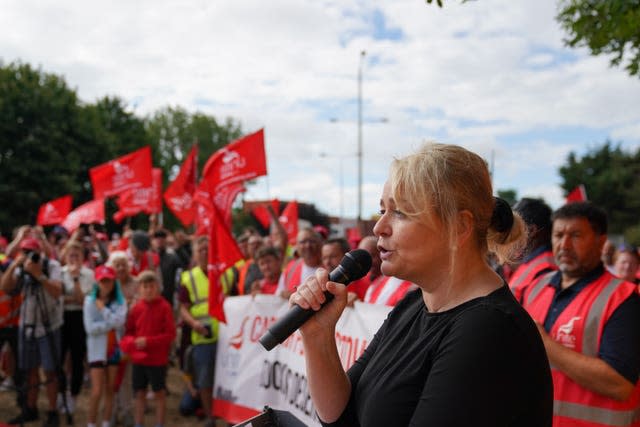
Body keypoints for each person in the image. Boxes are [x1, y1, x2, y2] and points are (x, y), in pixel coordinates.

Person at [291, 143, 553, 426]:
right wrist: (318, 338)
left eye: (400, 212)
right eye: (382, 210)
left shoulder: (489, 330)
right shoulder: (414, 304)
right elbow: (341, 417)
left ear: (459, 227)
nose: (379, 227)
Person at [522, 202, 640, 427]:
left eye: (575, 235)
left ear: (601, 241)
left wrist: (547, 346)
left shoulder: (624, 299)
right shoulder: (535, 287)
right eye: (558, 235)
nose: (564, 245)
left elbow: (620, 385)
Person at [2, 236, 63, 427]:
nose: (29, 256)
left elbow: (57, 291)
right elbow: (5, 287)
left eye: (32, 252)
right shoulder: (22, 267)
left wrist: (39, 275)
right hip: (27, 324)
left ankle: (53, 412)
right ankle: (30, 408)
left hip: (48, 325)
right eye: (25, 252)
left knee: (50, 370)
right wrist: (14, 266)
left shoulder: (51, 266)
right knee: (29, 370)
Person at [120, 270, 175, 427]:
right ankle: (139, 423)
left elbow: (169, 335)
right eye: (145, 286)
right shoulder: (137, 308)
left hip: (157, 359)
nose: (149, 290)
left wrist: (148, 342)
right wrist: (132, 342)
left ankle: (159, 423)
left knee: (159, 393)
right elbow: (129, 331)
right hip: (139, 358)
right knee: (139, 393)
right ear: (140, 289)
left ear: (157, 287)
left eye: (152, 286)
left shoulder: (165, 307)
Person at [178, 236, 218, 427]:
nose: (204, 253)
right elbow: (183, 308)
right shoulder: (188, 277)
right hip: (202, 338)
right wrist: (193, 323)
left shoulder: (224, 273)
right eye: (200, 250)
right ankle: (210, 417)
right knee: (205, 380)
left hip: (228, 339)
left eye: (207, 249)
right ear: (194, 253)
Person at [84, 265, 127, 427]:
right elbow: (90, 329)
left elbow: (120, 321)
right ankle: (91, 423)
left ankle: (106, 422)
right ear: (97, 282)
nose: (106, 285)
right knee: (96, 391)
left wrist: (104, 312)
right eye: (102, 281)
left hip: (113, 350)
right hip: (96, 350)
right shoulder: (89, 301)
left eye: (108, 281)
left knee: (110, 388)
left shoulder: (119, 301)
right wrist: (110, 322)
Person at [58, 241, 95, 415]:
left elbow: (82, 301)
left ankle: (73, 395)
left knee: (78, 357)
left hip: (80, 318)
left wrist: (75, 281)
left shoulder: (89, 274)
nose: (74, 259)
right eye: (70, 255)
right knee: (59, 357)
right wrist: (70, 298)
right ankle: (60, 393)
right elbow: (58, 300)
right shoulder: (59, 272)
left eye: (77, 255)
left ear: (82, 258)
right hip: (62, 318)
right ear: (65, 256)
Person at [509, 197, 557, 302]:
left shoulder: (547, 269)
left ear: (531, 230)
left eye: (514, 227)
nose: (510, 234)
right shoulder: (533, 262)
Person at [276, 228, 323, 299]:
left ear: (320, 244)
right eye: (303, 242)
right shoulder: (291, 267)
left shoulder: (329, 267)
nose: (308, 245)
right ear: (297, 246)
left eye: (312, 241)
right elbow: (279, 294)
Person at [151, 229, 182, 306]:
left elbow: (181, 272)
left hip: (169, 298)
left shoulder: (173, 257)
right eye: (156, 238)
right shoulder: (149, 258)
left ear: (165, 240)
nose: (159, 240)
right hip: (152, 298)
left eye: (162, 237)